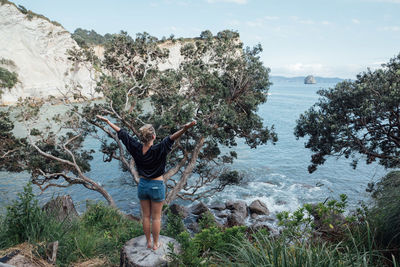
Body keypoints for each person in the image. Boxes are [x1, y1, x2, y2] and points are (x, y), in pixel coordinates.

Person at [96, 115, 196, 250]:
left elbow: (122, 133)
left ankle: (148, 241)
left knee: (146, 217)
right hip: (157, 186)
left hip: (143, 186)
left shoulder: (136, 147)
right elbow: (173, 137)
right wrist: (186, 128)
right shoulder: (159, 148)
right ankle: (155, 244)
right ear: (154, 136)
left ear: (142, 138)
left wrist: (108, 121)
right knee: (156, 218)